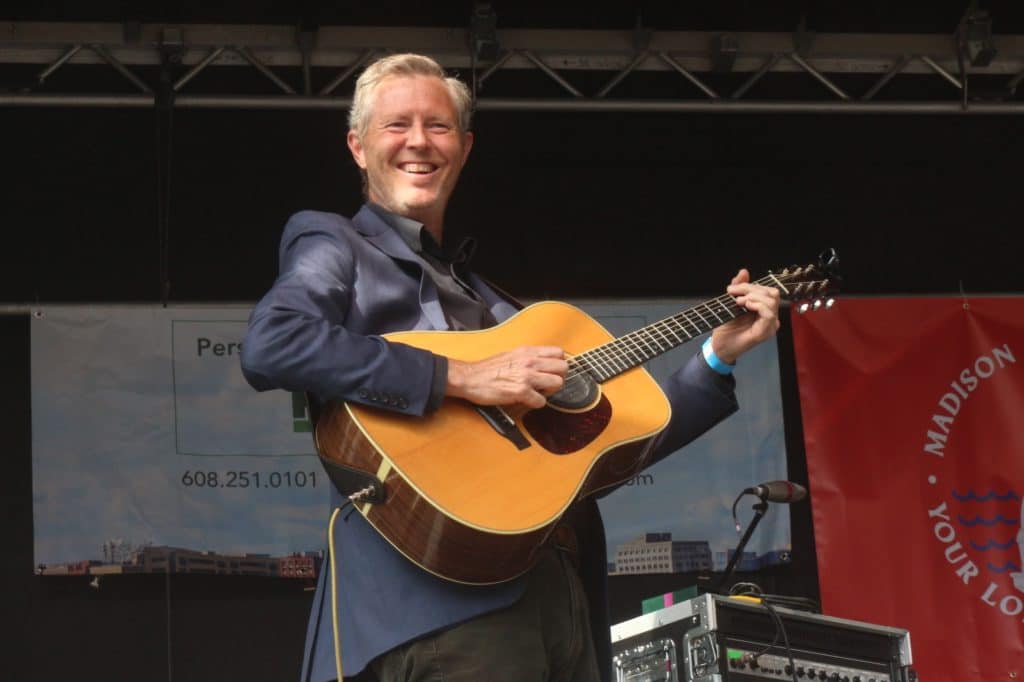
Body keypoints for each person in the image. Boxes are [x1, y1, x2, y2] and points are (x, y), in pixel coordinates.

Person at [241, 52, 781, 682]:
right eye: (397, 125)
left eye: (438, 126)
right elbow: (274, 342)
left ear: (465, 148)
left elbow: (612, 447)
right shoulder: (333, 242)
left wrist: (718, 356)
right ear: (358, 146)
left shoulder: (499, 305)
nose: (419, 141)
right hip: (437, 607)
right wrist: (461, 378)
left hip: (559, 600)